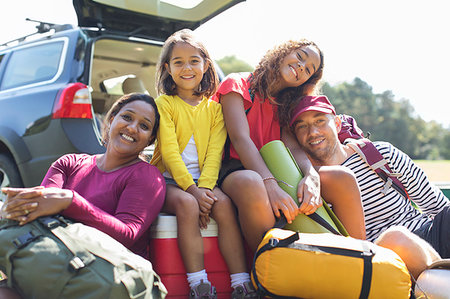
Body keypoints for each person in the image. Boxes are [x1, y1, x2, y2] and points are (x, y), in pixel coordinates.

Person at [0, 93, 166, 296]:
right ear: (112, 119)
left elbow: (127, 234)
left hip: (105, 278)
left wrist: (71, 201)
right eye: (127, 117)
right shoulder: (68, 164)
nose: (132, 128)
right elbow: (39, 212)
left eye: (144, 126)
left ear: (150, 140)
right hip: (55, 264)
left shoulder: (146, 176)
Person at [212, 39, 366, 252]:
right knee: (252, 182)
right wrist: (271, 185)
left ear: (306, 81)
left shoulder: (286, 105)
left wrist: (310, 176)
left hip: (278, 169)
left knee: (341, 177)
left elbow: (293, 148)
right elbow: (240, 139)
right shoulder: (237, 83)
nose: (301, 67)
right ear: (283, 52)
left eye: (308, 69)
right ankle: (270, 266)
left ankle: (362, 258)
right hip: (234, 169)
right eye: (300, 57)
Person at [288, 94, 450, 279]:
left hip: (429, 233)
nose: (313, 132)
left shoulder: (380, 154)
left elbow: (437, 205)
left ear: (337, 124)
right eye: (302, 126)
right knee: (395, 238)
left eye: (320, 121)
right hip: (386, 257)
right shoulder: (309, 183)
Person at [150, 29, 256, 298]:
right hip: (171, 181)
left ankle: (240, 282)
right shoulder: (165, 104)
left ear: (206, 65)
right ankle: (199, 283)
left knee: (224, 205)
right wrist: (193, 191)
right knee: (187, 204)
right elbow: (171, 153)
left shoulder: (215, 108)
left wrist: (205, 190)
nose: (187, 68)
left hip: (204, 183)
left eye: (194, 60)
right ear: (167, 68)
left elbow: (214, 154)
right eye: (178, 62)